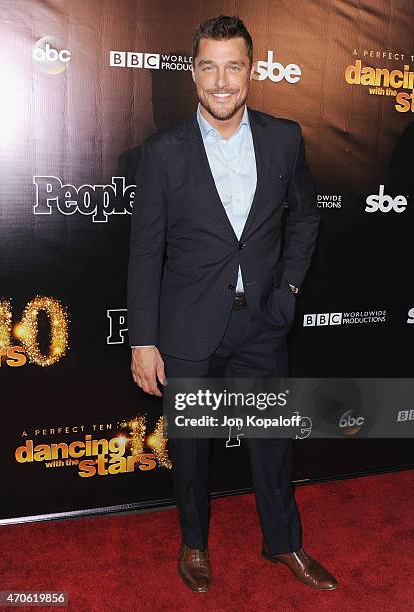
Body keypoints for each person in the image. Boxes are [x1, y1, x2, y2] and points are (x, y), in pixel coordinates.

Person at [127, 14, 338, 593]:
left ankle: (285, 545)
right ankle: (194, 544)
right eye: (209, 67)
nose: (222, 81)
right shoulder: (163, 153)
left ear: (251, 70)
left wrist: (288, 291)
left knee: (272, 447)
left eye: (234, 67)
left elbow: (306, 220)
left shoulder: (284, 138)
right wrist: (143, 342)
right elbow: (145, 254)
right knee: (191, 451)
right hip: (189, 329)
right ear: (194, 73)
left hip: (263, 328)